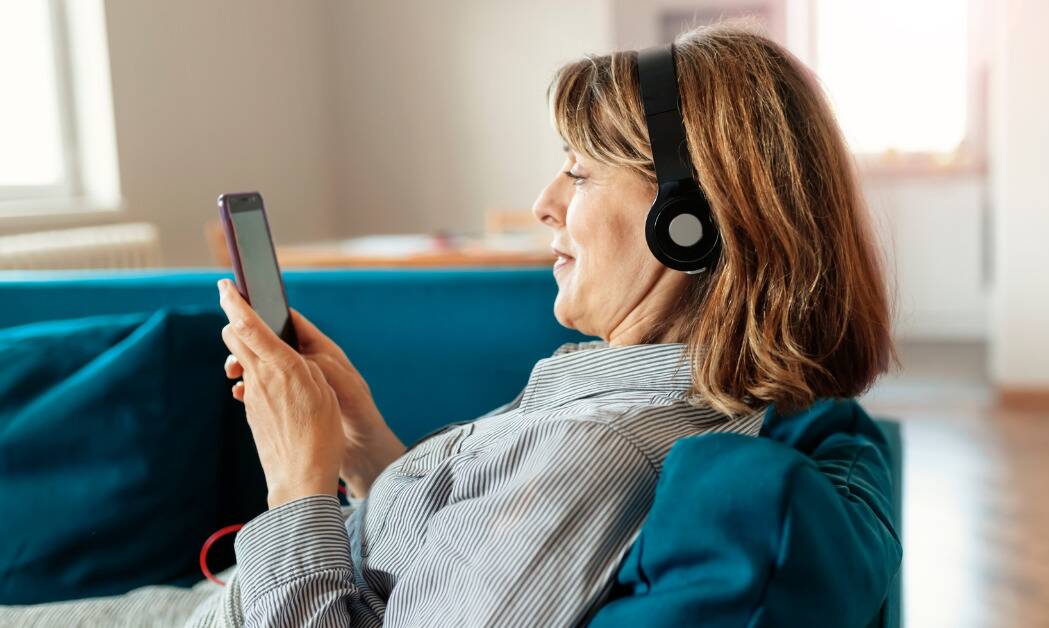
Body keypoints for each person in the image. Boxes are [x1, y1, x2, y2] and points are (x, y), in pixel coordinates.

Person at [0, 22, 893, 627]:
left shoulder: (602, 457)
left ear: (688, 221)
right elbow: (450, 575)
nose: (545, 204)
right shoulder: (612, 403)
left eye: (579, 174)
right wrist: (361, 447)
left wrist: (294, 480)